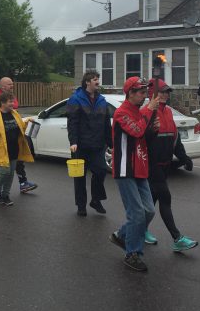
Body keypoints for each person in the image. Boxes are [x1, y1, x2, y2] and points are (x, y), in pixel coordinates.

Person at [108, 76, 159, 272]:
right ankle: (132, 253)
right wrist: (149, 111)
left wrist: (153, 130)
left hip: (140, 167)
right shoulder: (121, 113)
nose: (145, 96)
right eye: (141, 93)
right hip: (125, 169)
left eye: (146, 92)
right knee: (137, 213)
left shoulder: (139, 111)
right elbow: (137, 130)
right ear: (130, 93)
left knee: (149, 211)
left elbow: (144, 136)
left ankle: (122, 235)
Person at [143, 79, 198, 252]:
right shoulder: (146, 112)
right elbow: (141, 139)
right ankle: (177, 238)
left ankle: (137, 229)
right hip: (152, 165)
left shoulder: (167, 112)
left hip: (165, 164)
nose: (166, 94)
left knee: (152, 201)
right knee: (165, 197)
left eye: (168, 92)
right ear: (152, 93)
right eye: (162, 91)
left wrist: (184, 158)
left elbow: (174, 139)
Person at [66, 70, 113, 216]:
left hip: (97, 145)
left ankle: (96, 200)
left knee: (100, 171)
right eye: (94, 79)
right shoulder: (75, 99)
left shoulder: (102, 100)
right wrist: (73, 141)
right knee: (79, 177)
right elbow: (72, 122)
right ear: (87, 82)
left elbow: (106, 124)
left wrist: (111, 143)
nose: (97, 81)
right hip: (80, 145)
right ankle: (81, 206)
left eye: (98, 78)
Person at [0, 77, 38, 193]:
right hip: (0, 138)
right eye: (9, 84)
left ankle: (23, 183)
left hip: (13, 134)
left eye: (12, 84)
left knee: (18, 159)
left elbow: (14, 114)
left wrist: (23, 124)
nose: (12, 86)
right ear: (2, 86)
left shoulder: (11, 97)